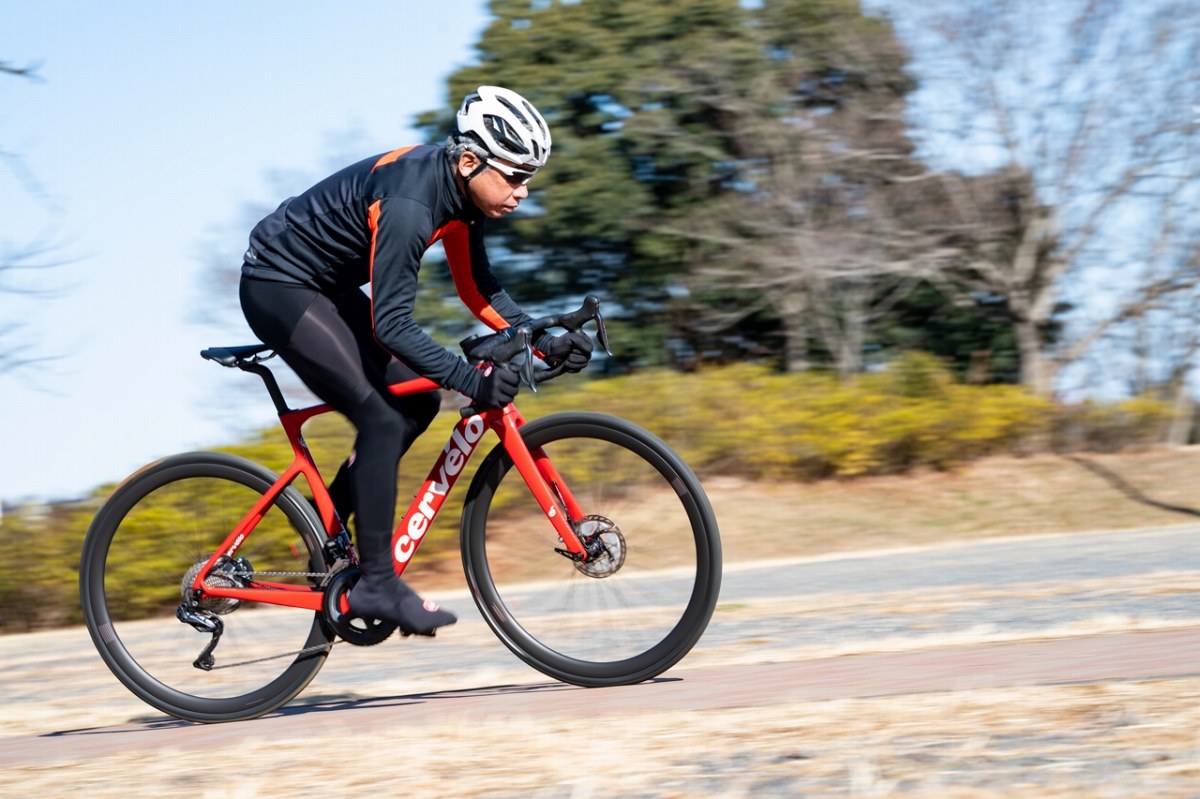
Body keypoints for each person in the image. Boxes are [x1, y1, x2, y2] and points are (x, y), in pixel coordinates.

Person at [238, 86, 593, 636]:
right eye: (515, 177)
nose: (523, 192)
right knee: (379, 418)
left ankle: (323, 525)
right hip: (278, 283)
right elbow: (392, 326)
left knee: (420, 399)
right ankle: (377, 583)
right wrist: (467, 382)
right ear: (471, 161)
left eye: (530, 179)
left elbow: (478, 290)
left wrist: (538, 339)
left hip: (324, 285)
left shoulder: (463, 195)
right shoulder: (411, 204)